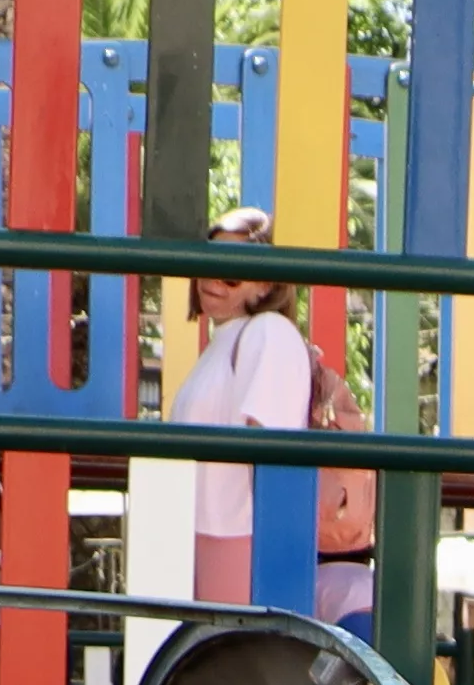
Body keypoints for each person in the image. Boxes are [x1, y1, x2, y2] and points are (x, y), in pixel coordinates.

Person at [160, 210, 380, 625]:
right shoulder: (228, 342)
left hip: (240, 541)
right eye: (206, 264)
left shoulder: (267, 334)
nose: (211, 280)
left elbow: (270, 455)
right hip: (214, 536)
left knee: (233, 665)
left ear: (265, 282)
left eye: (231, 274)